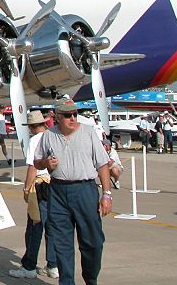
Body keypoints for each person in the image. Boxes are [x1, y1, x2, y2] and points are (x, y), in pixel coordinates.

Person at [34, 99, 113, 285]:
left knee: (93, 241)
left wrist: (106, 194)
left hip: (84, 190)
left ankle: (91, 279)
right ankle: (67, 281)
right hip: (58, 191)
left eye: (75, 114)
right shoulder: (48, 135)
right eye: (67, 115)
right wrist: (45, 163)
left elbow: (102, 164)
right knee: (61, 242)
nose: (72, 118)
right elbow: (37, 161)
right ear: (56, 116)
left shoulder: (88, 133)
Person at [9, 110, 58, 279]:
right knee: (52, 227)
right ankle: (53, 265)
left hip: (40, 185)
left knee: (34, 227)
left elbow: (33, 167)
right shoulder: (54, 136)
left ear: (31, 127)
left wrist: (26, 189)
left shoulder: (35, 140)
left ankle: (29, 266)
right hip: (55, 185)